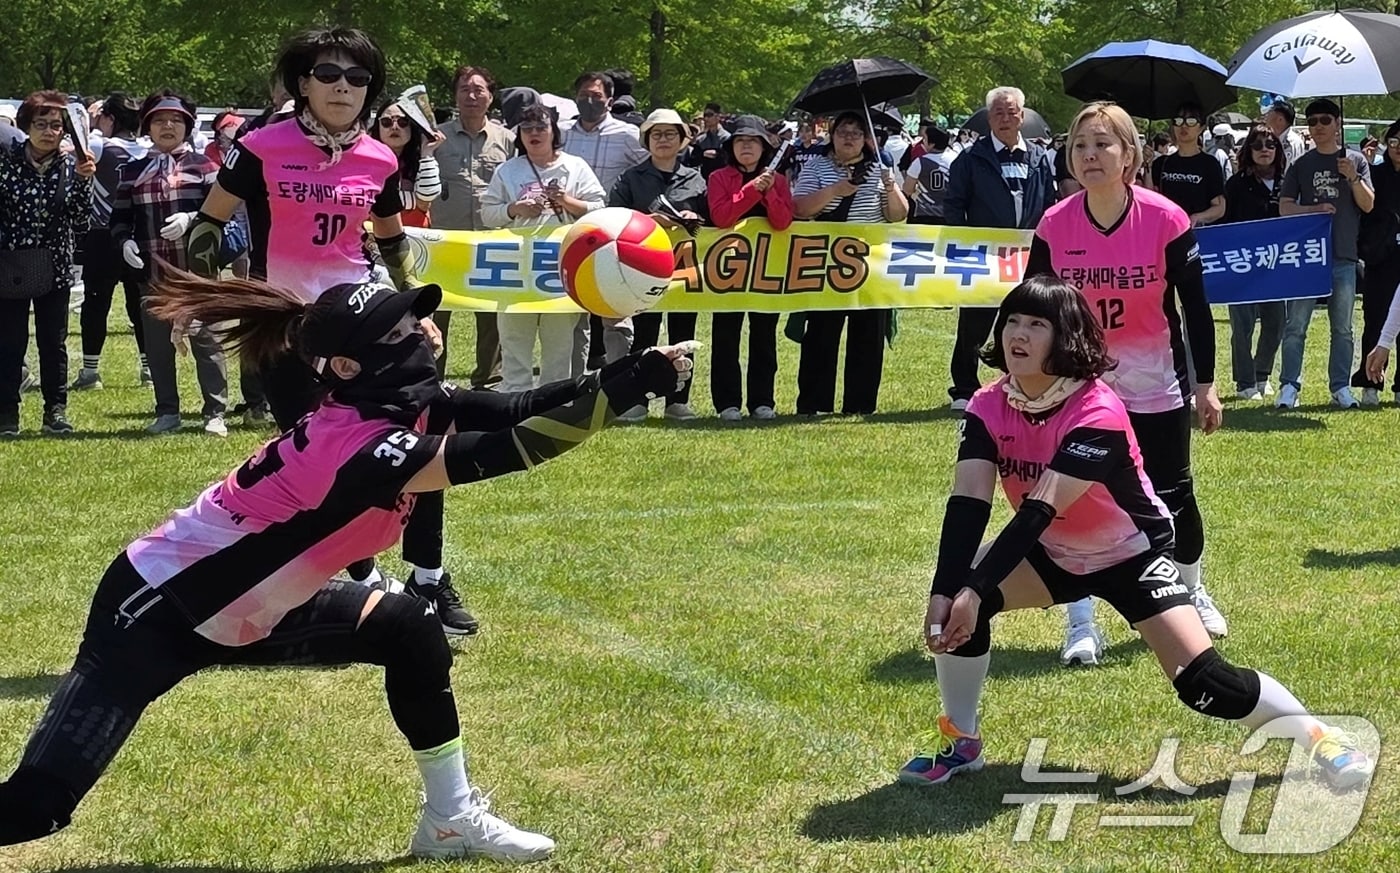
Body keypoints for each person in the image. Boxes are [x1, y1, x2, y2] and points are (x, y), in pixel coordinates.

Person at [0, 270, 695, 862]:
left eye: (416, 319)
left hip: (253, 607)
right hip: (157, 612)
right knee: (36, 808)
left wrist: (629, 372)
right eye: (402, 329)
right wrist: (624, 395)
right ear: (348, 367)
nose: (424, 332)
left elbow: (514, 405)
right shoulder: (354, 442)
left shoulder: (403, 403)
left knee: (408, 627)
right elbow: (509, 449)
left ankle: (450, 820)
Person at [895, 274, 1372, 792]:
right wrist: (947, 591)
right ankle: (961, 741)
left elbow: (1039, 510)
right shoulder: (989, 404)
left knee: (1205, 684)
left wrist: (974, 589)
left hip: (1130, 555)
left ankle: (1322, 737)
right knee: (958, 598)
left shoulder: (1096, 409)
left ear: (1066, 337)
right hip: (1053, 553)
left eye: (1036, 324)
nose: (1019, 334)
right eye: (1012, 320)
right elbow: (968, 503)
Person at [185, 26, 467, 630]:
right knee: (322, 464)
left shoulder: (381, 157)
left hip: (366, 320)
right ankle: (363, 576)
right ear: (303, 83)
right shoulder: (258, 146)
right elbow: (209, 225)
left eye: (358, 78)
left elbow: (391, 239)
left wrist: (413, 312)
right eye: (329, 74)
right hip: (284, 326)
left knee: (418, 437)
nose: (343, 87)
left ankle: (428, 579)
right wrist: (202, 301)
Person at [1027, 101, 1228, 664]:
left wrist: (1206, 384)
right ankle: (1080, 622)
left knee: (1172, 495)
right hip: (1078, 391)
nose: (1090, 156)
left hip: (1155, 382)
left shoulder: (1167, 218)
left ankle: (1191, 591)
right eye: (1080, 146)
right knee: (1071, 501)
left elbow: (1195, 309)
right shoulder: (1054, 224)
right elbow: (1033, 313)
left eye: (1103, 144)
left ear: (1130, 156)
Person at [111, 90, 228, 436]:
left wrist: (193, 219)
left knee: (206, 340)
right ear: (148, 128)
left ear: (187, 128)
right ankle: (167, 412)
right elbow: (119, 219)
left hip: (197, 272)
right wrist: (124, 241)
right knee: (158, 345)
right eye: (160, 121)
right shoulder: (132, 171)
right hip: (154, 271)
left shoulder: (205, 167)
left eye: (175, 121)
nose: (167, 126)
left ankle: (215, 412)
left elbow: (226, 216)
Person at [944, 87, 1058, 411]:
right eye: (998, 113)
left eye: (1011, 112)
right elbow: (954, 205)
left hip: (1028, 254)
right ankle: (964, 387)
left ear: (1022, 116)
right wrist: (965, 242)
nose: (1005, 119)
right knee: (974, 322)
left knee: (1026, 320)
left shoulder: (1038, 157)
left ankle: (1022, 381)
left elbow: (1048, 202)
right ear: (988, 118)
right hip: (984, 255)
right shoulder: (970, 158)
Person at [481, 103, 606, 392]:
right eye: (527, 128)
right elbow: (488, 214)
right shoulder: (508, 170)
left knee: (559, 345)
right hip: (517, 267)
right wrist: (515, 208)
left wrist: (566, 201)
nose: (534, 133)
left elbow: (600, 208)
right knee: (514, 341)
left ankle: (553, 404)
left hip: (560, 266)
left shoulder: (575, 166)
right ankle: (514, 399)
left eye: (541, 127)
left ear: (554, 131)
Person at [791, 111, 908, 415]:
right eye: (843, 131)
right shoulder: (816, 166)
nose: (849, 138)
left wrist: (891, 187)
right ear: (832, 135)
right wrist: (835, 191)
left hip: (870, 267)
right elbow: (799, 208)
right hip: (826, 263)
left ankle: (860, 404)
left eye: (856, 133)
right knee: (821, 335)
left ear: (866, 139)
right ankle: (815, 403)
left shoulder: (880, 168)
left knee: (868, 337)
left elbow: (898, 215)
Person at [0, 90, 97, 437]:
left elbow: (81, 222)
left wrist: (84, 181)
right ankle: (6, 414)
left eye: (56, 126)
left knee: (53, 344)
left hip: (55, 265)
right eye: (41, 124)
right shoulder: (6, 162)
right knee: (9, 343)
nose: (48, 132)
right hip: (10, 264)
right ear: (26, 126)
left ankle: (55, 411)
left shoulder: (73, 166)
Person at [608, 107, 707, 422]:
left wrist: (696, 217)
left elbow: (713, 220)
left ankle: (678, 401)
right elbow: (614, 217)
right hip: (642, 269)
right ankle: (637, 399)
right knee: (644, 334)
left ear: (682, 140)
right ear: (647, 140)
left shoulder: (696, 178)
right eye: (657, 134)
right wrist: (646, 221)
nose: (663, 140)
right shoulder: (630, 178)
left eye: (670, 134)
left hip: (685, 268)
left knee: (683, 332)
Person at [1277, 98, 1374, 410]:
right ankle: (1289, 386)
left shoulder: (1355, 160)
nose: (1318, 126)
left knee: (1343, 328)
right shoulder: (1300, 164)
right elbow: (1285, 208)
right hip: (1308, 258)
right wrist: (1313, 209)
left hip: (1344, 254)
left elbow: (1368, 205)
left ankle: (1340, 387)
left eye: (1324, 120)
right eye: (1313, 121)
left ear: (1337, 124)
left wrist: (1353, 177)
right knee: (1295, 326)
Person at [706, 114, 793, 421]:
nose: (746, 147)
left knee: (764, 337)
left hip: (766, 269)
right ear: (731, 147)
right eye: (740, 141)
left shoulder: (778, 181)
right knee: (725, 337)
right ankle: (727, 403)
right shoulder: (718, 178)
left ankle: (762, 401)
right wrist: (752, 190)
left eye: (753, 142)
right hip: (728, 270)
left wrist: (769, 193)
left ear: (763, 148)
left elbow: (783, 222)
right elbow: (722, 217)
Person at [434, 65, 513, 389]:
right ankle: (431, 380)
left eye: (479, 89)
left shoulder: (508, 140)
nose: (471, 95)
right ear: (455, 95)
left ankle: (488, 383)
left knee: (491, 317)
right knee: (436, 313)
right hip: (442, 241)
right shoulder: (436, 138)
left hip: (491, 242)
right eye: (464, 89)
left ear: (490, 96)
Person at [73, 92, 148, 392]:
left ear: (110, 118)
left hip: (103, 234)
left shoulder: (100, 145)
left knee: (96, 303)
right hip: (138, 235)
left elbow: (72, 149)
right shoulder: (147, 147)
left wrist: (88, 123)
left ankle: (91, 373)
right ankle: (148, 369)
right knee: (139, 304)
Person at [1222, 125, 1286, 401]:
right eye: (1257, 145)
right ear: (1248, 150)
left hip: (1277, 265)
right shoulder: (1236, 184)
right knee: (1242, 326)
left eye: (1270, 145)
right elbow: (1224, 223)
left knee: (1276, 322)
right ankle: (1245, 382)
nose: (1264, 150)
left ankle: (1262, 375)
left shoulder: (1287, 181)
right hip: (1243, 265)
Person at [1353, 122, 1400, 406]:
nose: (1398, 148)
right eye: (1394, 142)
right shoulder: (1376, 174)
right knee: (1376, 319)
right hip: (1380, 256)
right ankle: (1369, 383)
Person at [1148, 104, 1226, 228]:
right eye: (1178, 121)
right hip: (1165, 231)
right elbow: (1149, 198)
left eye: (1191, 121)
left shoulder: (1209, 164)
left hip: (1195, 233)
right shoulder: (1161, 163)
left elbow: (1219, 208)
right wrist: (1147, 165)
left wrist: (1197, 217)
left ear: (1201, 128)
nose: (1183, 126)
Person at [370, 99, 444, 229]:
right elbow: (364, 200)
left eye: (402, 122)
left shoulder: (419, 159)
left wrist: (427, 153)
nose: (394, 127)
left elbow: (426, 200)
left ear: (412, 126)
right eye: (386, 122)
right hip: (374, 234)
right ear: (378, 127)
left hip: (416, 234)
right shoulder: (364, 159)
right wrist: (413, 200)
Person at [902, 125, 954, 224]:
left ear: (932, 144)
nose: (923, 142)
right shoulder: (955, 159)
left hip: (924, 214)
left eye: (925, 139)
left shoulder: (919, 162)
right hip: (948, 213)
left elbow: (907, 190)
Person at [686, 102, 731, 179]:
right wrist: (702, 154)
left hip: (723, 179)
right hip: (705, 179)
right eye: (705, 115)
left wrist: (718, 154)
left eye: (710, 115)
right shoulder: (700, 140)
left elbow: (730, 160)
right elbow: (692, 161)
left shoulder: (727, 138)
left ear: (718, 116)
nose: (706, 118)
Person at [1264, 99, 1306, 167]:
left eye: (1270, 112)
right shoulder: (1268, 138)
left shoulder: (1294, 142)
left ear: (1280, 119)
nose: (1266, 115)